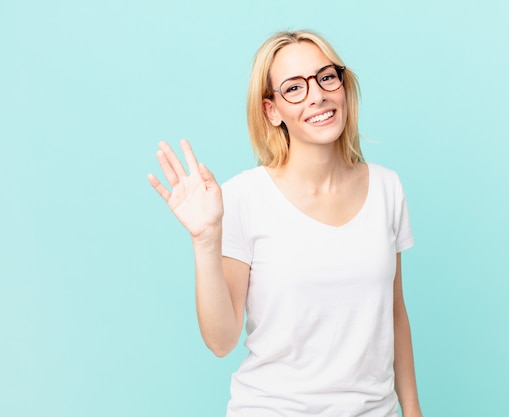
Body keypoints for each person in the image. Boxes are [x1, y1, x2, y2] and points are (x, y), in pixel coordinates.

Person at [148, 30, 424, 417]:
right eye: (294, 88)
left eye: (326, 77)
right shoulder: (244, 197)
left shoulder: (386, 188)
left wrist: (411, 409)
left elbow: (394, 311)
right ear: (271, 110)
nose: (317, 95)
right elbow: (221, 340)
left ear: (343, 86)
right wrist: (206, 240)